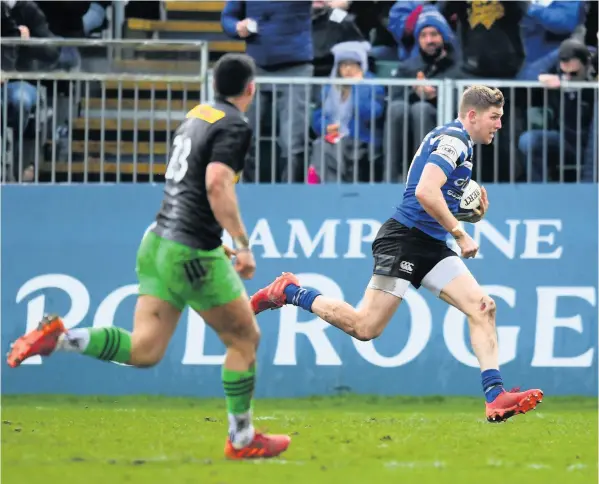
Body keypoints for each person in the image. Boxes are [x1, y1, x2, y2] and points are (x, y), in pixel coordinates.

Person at [6, 53, 291, 460]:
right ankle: (242, 438)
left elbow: (186, 184)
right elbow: (215, 184)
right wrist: (242, 244)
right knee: (244, 338)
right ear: (251, 88)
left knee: (145, 349)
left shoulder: (198, 114)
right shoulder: (235, 124)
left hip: (157, 241)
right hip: (192, 251)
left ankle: (61, 340)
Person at [250, 85, 544, 423]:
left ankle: (496, 397)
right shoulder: (455, 140)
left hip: (430, 244)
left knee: (483, 307)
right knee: (365, 328)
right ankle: (290, 291)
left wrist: (466, 213)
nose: (499, 124)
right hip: (403, 239)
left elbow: (433, 195)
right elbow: (423, 191)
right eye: (495, 117)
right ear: (472, 115)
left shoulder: (459, 142)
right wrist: (460, 232)